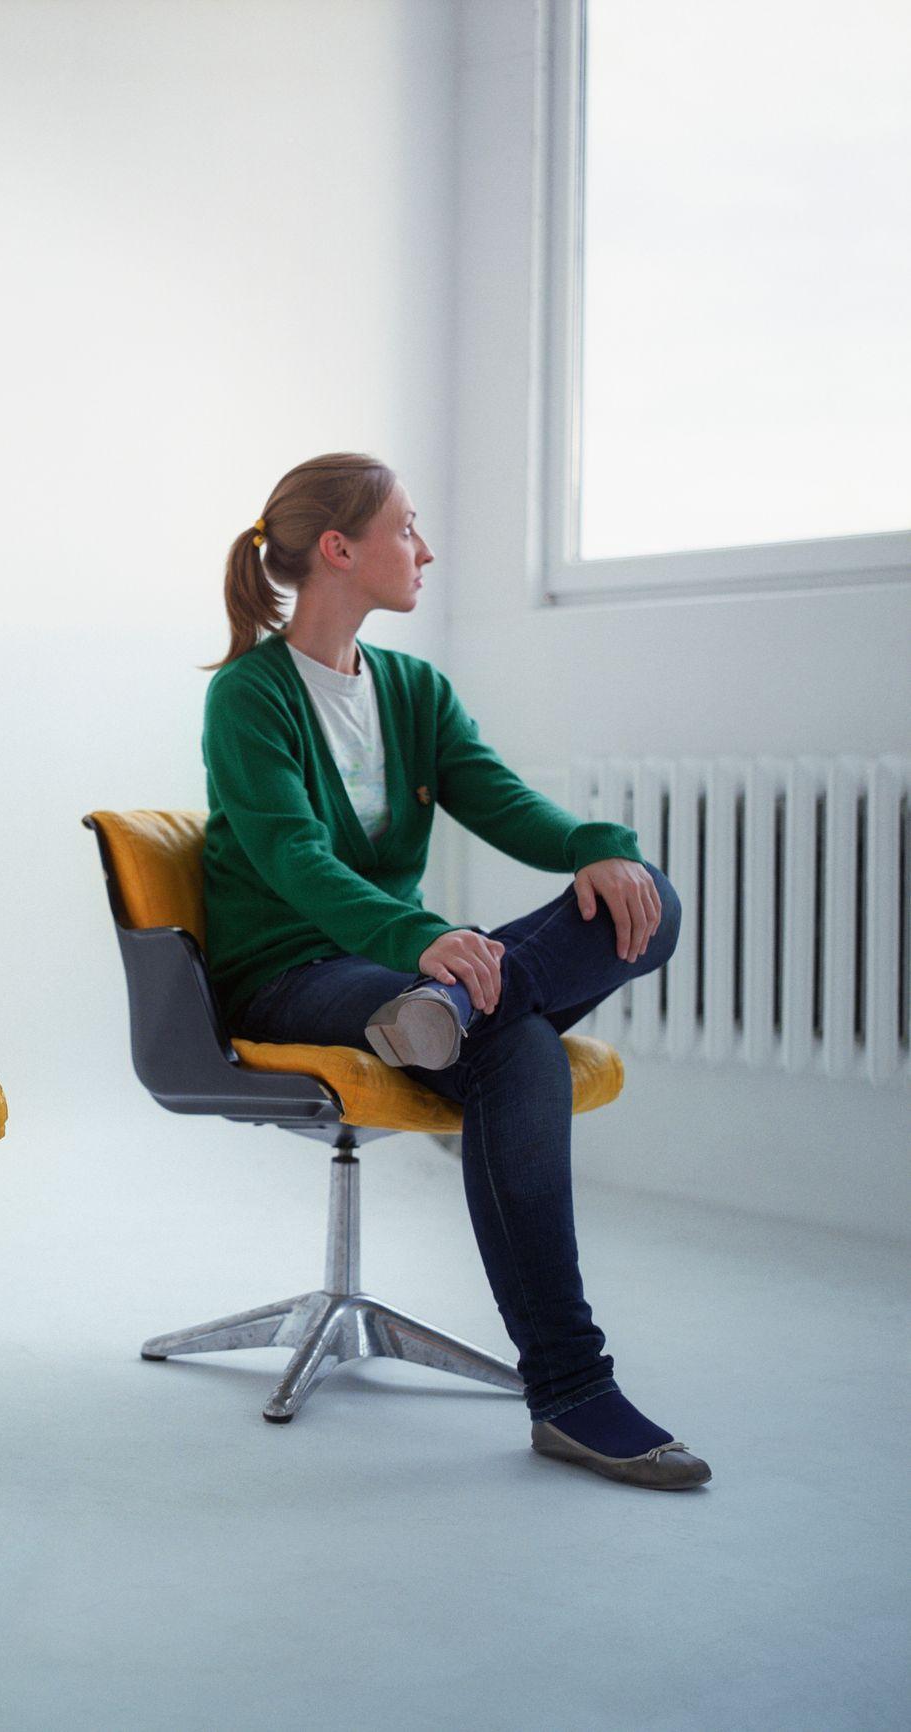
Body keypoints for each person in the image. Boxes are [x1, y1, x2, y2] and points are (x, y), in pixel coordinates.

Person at [201, 451, 710, 1491]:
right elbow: (294, 858)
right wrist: (417, 940)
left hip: (395, 971)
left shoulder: (413, 688)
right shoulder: (248, 700)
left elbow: (506, 801)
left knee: (638, 909)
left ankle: (454, 1004)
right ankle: (572, 1390)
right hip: (293, 971)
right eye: (406, 529)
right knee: (510, 1037)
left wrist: (597, 848)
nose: (423, 550)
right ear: (341, 549)